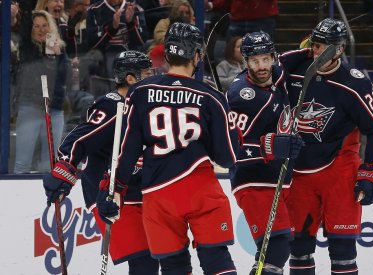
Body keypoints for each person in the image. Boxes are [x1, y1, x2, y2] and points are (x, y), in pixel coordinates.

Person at [97, 22, 240, 275]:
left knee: (174, 266)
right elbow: (227, 157)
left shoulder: (140, 92)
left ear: (166, 55)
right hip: (200, 189)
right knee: (216, 260)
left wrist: (114, 189)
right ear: (196, 55)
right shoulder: (211, 97)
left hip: (158, 193)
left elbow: (127, 151)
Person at [279, 18, 373, 275]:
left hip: (338, 168)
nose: (317, 52)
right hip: (299, 168)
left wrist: (371, 169)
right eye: (315, 45)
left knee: (342, 251)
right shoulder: (293, 69)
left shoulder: (353, 82)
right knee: (298, 248)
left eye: (324, 47)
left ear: (339, 50)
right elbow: (260, 75)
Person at [42, 51, 161, 273]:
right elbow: (80, 138)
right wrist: (64, 172)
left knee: (152, 260)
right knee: (144, 260)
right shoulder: (111, 106)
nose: (153, 78)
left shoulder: (144, 106)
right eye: (147, 74)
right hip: (107, 193)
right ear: (130, 78)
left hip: (137, 192)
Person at [226, 31, 304, 275]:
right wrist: (269, 146)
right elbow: (231, 148)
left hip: (277, 177)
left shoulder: (278, 75)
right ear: (245, 62)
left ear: (273, 57)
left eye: (265, 59)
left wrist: (314, 48)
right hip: (252, 178)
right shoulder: (242, 96)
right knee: (277, 246)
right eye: (254, 61)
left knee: (273, 250)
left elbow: (295, 59)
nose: (261, 67)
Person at [13, 10, 68, 173]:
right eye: (36, 26)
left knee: (49, 164)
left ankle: (48, 196)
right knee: (23, 162)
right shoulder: (27, 48)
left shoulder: (59, 49)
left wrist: (58, 56)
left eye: (45, 25)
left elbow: (64, 79)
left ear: (51, 27)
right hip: (30, 108)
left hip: (55, 110)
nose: (41, 30)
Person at [206, 0, 278, 40]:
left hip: (261, 19)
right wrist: (211, 5)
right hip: (238, 20)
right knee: (232, 55)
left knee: (262, 53)